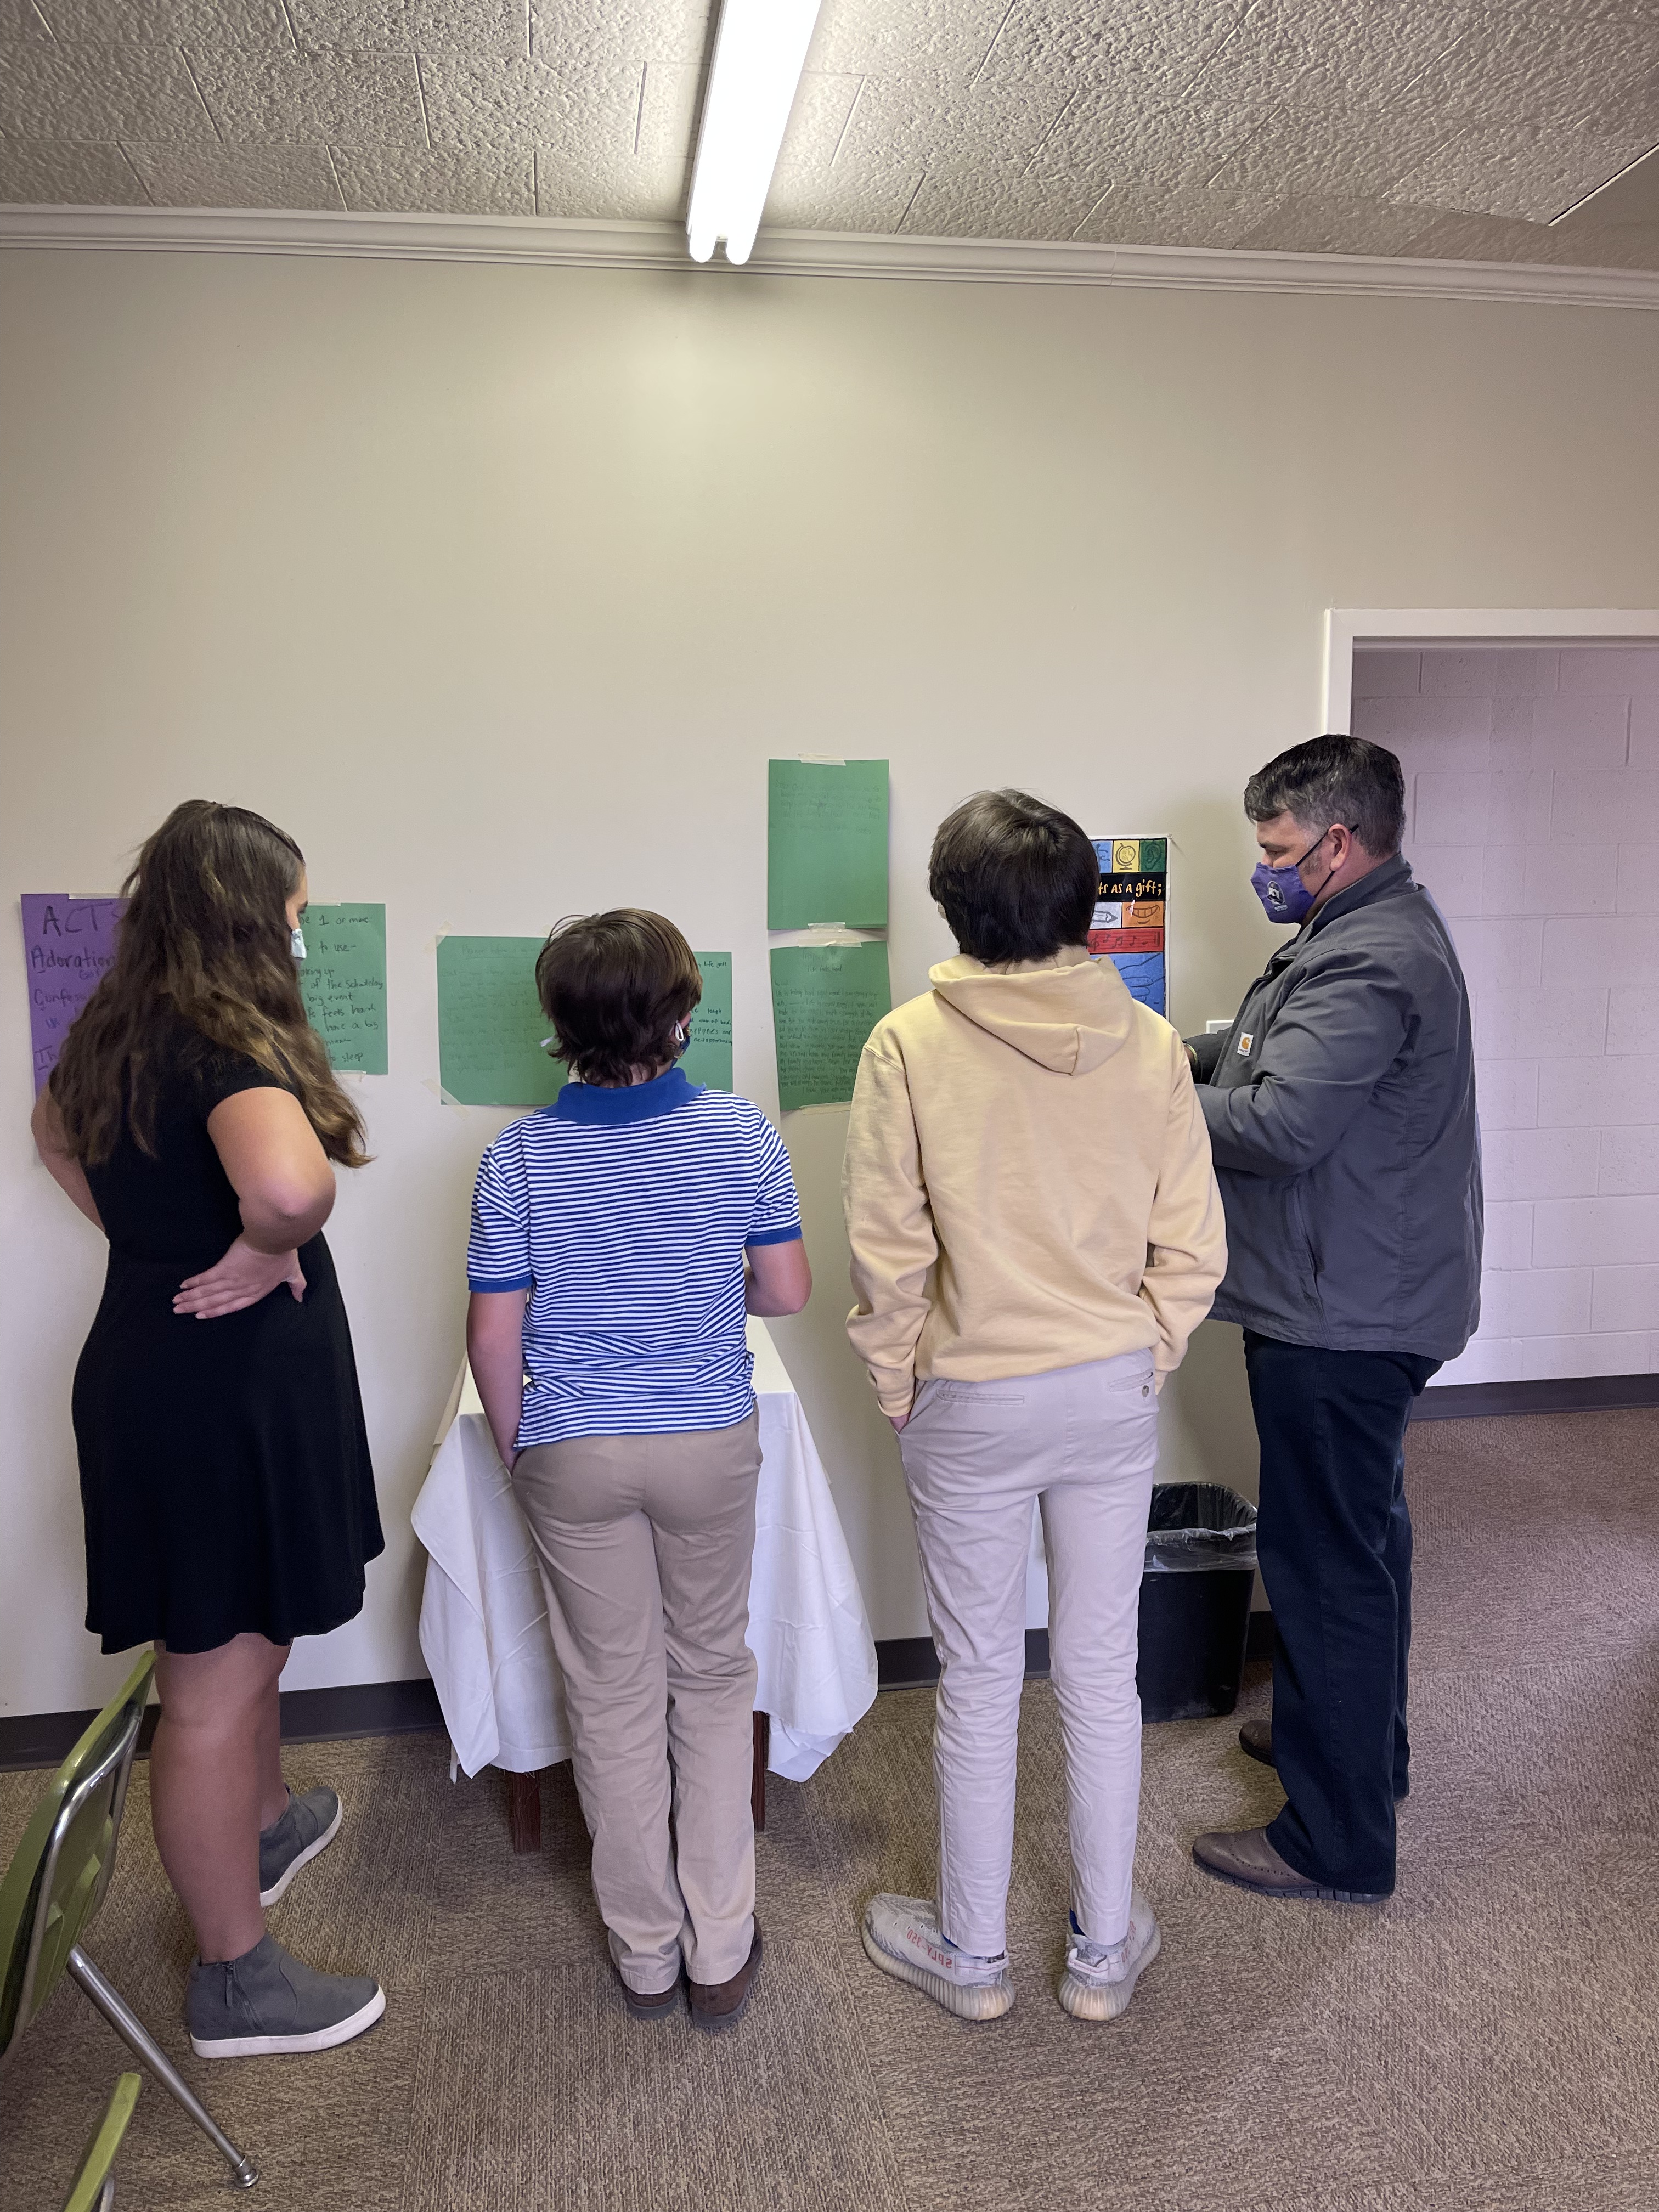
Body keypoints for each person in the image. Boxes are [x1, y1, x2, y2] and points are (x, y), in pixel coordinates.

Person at [842, 790, 1227, 2024]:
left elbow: (888, 1249)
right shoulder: (1151, 1042)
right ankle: (1104, 1954)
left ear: (952, 908)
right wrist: (1148, 1350)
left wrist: (895, 1379)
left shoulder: (908, 1043)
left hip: (969, 1398)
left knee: (977, 1676)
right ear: (1083, 908)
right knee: (1103, 1671)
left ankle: (973, 1956)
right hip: (1108, 1389)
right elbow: (1192, 1242)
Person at [31, 800, 386, 2058]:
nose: (301, 938)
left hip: (181, 1378)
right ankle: (234, 1980)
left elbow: (50, 1137)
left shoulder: (118, 1030)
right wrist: (252, 1245)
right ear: (248, 917)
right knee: (211, 1686)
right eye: (295, 916)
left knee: (247, 1639)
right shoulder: (221, 1042)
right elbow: (291, 1186)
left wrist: (162, 1238)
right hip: (211, 1397)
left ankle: (262, 1822)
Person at [465, 910, 810, 2032]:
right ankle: (721, 1948)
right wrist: (701, 1294)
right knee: (710, 1680)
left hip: (574, 1451)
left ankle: (646, 1950)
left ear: (560, 1025)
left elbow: (493, 1334)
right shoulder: (740, 1133)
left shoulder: (518, 1156)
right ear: (679, 1017)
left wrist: (520, 1446)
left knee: (611, 1695)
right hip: (707, 1440)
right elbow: (787, 1289)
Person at [1186, 733, 1481, 1904]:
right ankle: (1362, 1750)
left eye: (1277, 849)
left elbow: (1277, 1127)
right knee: (1364, 1542)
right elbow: (1268, 1052)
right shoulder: (1361, 928)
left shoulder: (1368, 956)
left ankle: (1335, 1842)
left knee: (1322, 1568)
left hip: (1344, 1319)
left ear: (1339, 841)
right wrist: (1179, 1050)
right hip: (1365, 1296)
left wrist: (1144, 1094)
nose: (1264, 867)